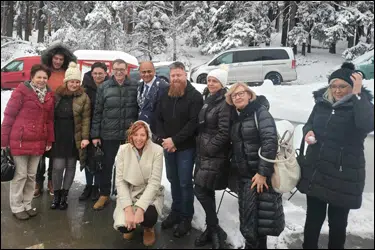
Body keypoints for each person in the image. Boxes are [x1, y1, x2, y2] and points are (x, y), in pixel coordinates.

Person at [297, 63, 374, 249]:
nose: (337, 91)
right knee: (313, 220)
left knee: (338, 224)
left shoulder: (359, 105)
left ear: (352, 86)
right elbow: (309, 124)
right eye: (334, 86)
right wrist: (308, 133)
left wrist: (357, 94)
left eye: (343, 86)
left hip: (343, 174)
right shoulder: (322, 104)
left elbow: (367, 124)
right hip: (317, 170)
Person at [226, 82, 285, 249]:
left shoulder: (260, 113)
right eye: (234, 95)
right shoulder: (238, 117)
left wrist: (262, 173)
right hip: (245, 177)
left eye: (241, 93)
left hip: (258, 177)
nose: (237, 97)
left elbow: (269, 142)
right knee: (249, 220)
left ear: (249, 94)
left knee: (258, 223)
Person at [154, 61, 203, 237]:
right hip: (168, 146)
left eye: (178, 75)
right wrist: (163, 140)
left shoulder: (194, 96)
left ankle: (186, 217)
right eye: (173, 75)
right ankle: (175, 212)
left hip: (186, 148)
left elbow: (193, 124)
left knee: (184, 182)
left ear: (185, 74)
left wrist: (175, 141)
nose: (175, 78)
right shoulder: (165, 94)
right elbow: (157, 118)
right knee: (172, 179)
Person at [1, 64, 54, 220]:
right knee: (20, 175)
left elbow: (50, 121)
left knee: (31, 175)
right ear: (32, 77)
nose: (42, 80)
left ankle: (27, 204)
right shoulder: (21, 92)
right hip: (20, 140)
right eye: (39, 77)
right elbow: (9, 115)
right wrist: (3, 140)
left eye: (45, 77)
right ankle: (17, 207)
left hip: (38, 142)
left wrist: (49, 138)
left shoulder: (49, 95)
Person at [91, 59, 139, 210]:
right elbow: (97, 112)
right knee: (107, 165)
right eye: (116, 69)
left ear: (126, 70)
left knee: (127, 166)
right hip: (108, 134)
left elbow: (138, 110)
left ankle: (124, 196)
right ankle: (104, 194)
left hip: (128, 135)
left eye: (122, 69)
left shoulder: (135, 86)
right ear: (111, 70)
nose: (119, 72)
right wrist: (95, 134)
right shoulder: (104, 87)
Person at [193, 66, 231, 249]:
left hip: (214, 154)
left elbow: (225, 132)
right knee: (204, 190)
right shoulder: (209, 98)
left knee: (200, 189)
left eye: (215, 81)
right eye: (209, 80)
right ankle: (213, 228)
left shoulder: (225, 102)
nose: (211, 83)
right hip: (203, 151)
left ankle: (214, 228)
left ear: (222, 83)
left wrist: (209, 148)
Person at [113, 121, 164, 247]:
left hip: (149, 192)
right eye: (135, 134)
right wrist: (128, 208)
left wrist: (140, 208)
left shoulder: (157, 151)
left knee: (149, 215)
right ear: (130, 135)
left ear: (148, 136)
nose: (139, 139)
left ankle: (148, 228)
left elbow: (154, 183)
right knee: (123, 227)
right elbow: (120, 181)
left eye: (142, 135)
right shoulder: (123, 150)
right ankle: (131, 226)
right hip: (130, 191)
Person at [35, 43, 76, 197]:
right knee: (40, 151)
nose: (58, 61)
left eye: (61, 59)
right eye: (55, 58)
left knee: (53, 151)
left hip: (59, 117)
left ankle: (53, 180)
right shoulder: (44, 72)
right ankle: (38, 181)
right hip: (42, 115)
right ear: (51, 58)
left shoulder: (67, 73)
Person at [49, 62, 91, 210]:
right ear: (66, 81)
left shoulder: (83, 97)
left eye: (77, 82)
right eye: (72, 81)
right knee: (58, 167)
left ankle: (64, 196)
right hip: (59, 135)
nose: (74, 84)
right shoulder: (57, 95)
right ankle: (56, 194)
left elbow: (86, 119)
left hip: (75, 136)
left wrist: (85, 137)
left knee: (71, 166)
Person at [79, 62, 109, 201]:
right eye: (95, 73)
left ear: (106, 73)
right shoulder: (84, 88)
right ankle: (89, 185)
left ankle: (97, 186)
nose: (98, 76)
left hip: (105, 129)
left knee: (100, 158)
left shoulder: (110, 86)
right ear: (91, 74)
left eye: (100, 73)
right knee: (88, 158)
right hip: (87, 128)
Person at [137, 61, 169, 134]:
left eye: (149, 71)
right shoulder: (139, 86)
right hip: (143, 131)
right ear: (140, 73)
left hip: (157, 132)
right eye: (143, 72)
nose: (146, 74)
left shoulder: (164, 87)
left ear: (154, 71)